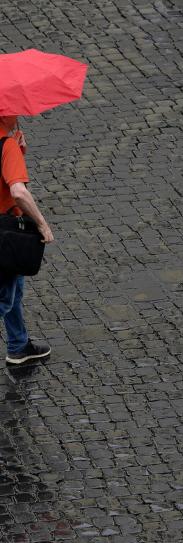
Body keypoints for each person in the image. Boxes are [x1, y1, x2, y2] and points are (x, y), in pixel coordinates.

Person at [0, 115, 53, 364]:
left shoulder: (10, 146)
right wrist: (42, 224)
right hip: (5, 234)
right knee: (4, 297)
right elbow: (18, 191)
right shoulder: (6, 145)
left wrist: (17, 152)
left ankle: (18, 345)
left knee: (14, 290)